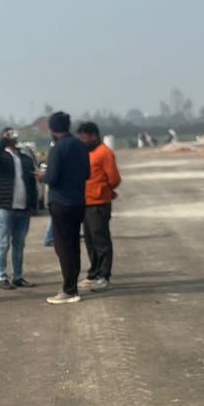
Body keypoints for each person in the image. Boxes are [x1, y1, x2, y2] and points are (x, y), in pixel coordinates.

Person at [42, 111, 90, 304]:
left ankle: (69, 290)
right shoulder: (80, 145)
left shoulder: (58, 148)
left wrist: (42, 176)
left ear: (52, 129)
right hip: (78, 201)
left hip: (61, 202)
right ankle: (73, 286)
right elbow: (87, 173)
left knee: (63, 247)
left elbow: (52, 177)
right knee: (74, 246)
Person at [0, 128, 39, 289]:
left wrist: (33, 204)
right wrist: (2, 141)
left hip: (23, 209)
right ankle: (2, 277)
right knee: (3, 243)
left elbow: (31, 183)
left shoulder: (25, 159)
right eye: (8, 135)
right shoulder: (0, 158)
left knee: (19, 244)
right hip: (5, 207)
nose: (12, 137)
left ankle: (18, 276)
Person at [76, 122, 122, 291]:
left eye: (84, 137)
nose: (82, 141)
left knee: (101, 241)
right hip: (86, 202)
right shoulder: (87, 152)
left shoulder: (104, 153)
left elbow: (114, 179)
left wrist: (105, 190)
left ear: (94, 136)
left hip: (99, 203)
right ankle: (94, 273)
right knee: (90, 240)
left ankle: (104, 276)